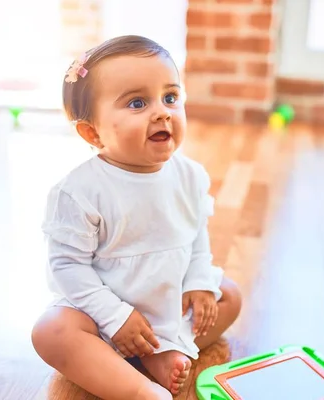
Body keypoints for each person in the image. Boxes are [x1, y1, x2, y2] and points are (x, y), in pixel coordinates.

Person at [31, 35, 242, 400]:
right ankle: (140, 389)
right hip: (102, 316)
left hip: (164, 301)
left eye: (171, 97)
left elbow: (195, 235)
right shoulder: (80, 192)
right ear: (92, 132)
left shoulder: (188, 175)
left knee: (229, 296)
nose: (162, 112)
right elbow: (67, 267)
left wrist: (198, 282)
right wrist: (115, 317)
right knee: (50, 330)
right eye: (138, 103)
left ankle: (161, 350)